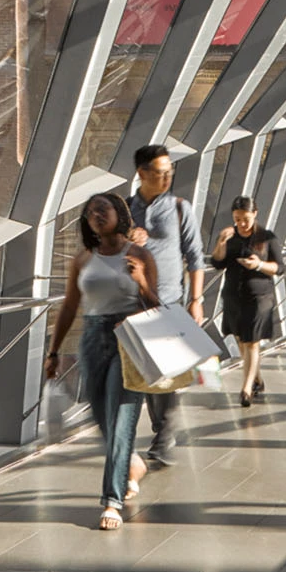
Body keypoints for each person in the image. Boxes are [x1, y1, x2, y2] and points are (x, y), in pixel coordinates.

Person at [45, 192, 160, 531]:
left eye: (103, 209)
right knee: (101, 417)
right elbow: (69, 306)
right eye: (90, 211)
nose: (96, 214)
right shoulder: (83, 259)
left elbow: (157, 305)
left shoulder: (139, 254)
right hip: (93, 339)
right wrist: (53, 351)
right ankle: (132, 463)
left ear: (119, 214)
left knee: (121, 418)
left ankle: (112, 501)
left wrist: (141, 281)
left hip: (129, 338)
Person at [127, 144, 206, 468]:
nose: (166, 178)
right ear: (141, 173)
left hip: (169, 301)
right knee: (144, 372)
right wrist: (126, 238)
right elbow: (102, 248)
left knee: (165, 372)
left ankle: (163, 436)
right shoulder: (124, 210)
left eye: (169, 172)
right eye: (160, 173)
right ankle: (158, 431)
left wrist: (196, 300)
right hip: (130, 302)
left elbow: (195, 256)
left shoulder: (179, 208)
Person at [212, 195, 283, 407]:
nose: (241, 224)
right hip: (234, 296)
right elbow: (218, 262)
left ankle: (246, 388)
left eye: (245, 219)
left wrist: (259, 265)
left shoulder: (267, 237)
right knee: (241, 340)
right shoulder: (231, 236)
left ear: (255, 214)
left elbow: (279, 267)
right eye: (237, 219)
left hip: (259, 297)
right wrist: (221, 242)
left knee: (252, 341)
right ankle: (257, 379)